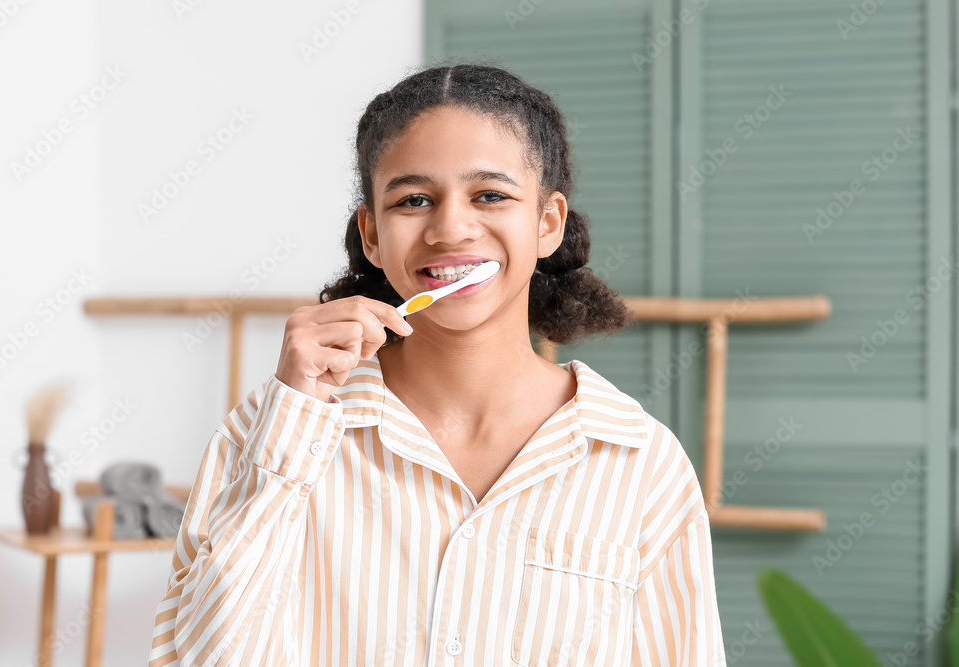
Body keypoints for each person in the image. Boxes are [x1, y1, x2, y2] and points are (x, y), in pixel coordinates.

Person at [148, 62, 726, 666]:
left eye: (491, 195)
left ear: (547, 223)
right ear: (371, 235)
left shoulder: (640, 464)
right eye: (415, 199)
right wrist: (292, 430)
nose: (451, 227)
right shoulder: (264, 435)